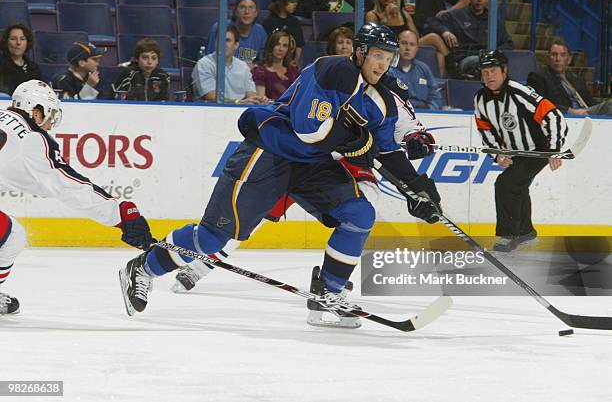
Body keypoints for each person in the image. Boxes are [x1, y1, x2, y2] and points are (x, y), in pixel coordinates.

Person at [119, 24, 442, 328]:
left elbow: (386, 150)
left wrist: (415, 188)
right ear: (359, 52)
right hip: (271, 152)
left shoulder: (382, 101)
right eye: (377, 55)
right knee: (213, 237)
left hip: (313, 166)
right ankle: (144, 267)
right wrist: (357, 141)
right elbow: (308, 130)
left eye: (388, 58)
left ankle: (328, 292)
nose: (382, 64)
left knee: (359, 213)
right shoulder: (332, 70)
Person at [170, 73, 438, 302]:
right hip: (305, 157)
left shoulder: (388, 95)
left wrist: (419, 142)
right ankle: (201, 264)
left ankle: (332, 282)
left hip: (344, 166)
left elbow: (413, 130)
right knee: (255, 213)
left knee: (364, 206)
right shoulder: (336, 79)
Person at [0, 80, 154, 314]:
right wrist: (120, 215)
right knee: (12, 236)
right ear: (34, 110)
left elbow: (28, 179)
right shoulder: (33, 138)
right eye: (48, 114)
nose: (50, 124)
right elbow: (68, 185)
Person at [474, 50, 568, 252]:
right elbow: (485, 129)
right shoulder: (480, 99)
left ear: (504, 71)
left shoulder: (519, 92)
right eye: (485, 71)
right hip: (516, 152)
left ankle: (510, 235)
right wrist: (497, 154)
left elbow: (554, 116)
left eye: (493, 70)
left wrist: (553, 149)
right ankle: (526, 233)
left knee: (505, 183)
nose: (489, 76)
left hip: (538, 150)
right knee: (517, 186)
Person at [427, 0, 513, 79]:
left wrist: (493, 54)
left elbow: (508, 43)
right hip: (464, 60)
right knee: (480, 63)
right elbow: (432, 22)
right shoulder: (457, 15)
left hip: (487, 59)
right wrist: (445, 32)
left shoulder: (494, 20)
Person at [366, 0, 450, 75]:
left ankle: (452, 67)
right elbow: (374, 40)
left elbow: (415, 37)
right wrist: (385, 18)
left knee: (434, 38)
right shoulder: (372, 15)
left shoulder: (404, 14)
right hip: (389, 47)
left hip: (406, 43)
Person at [527, 40, 612, 116]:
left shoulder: (577, 78)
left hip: (586, 112)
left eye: (562, 55)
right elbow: (539, 103)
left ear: (569, 59)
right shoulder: (537, 76)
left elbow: (590, 102)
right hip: (565, 115)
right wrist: (570, 111)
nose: (558, 59)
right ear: (548, 57)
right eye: (554, 54)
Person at [193, 25, 267, 104]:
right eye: (220, 40)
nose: (223, 44)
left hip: (240, 110)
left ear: (236, 45)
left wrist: (258, 99)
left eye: (227, 40)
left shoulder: (243, 66)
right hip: (211, 112)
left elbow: (251, 93)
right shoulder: (204, 64)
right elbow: (211, 96)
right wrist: (237, 102)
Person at [206, 0, 268, 67]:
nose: (247, 12)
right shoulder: (220, 28)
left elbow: (264, 62)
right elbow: (209, 60)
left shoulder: (260, 32)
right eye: (242, 7)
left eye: (251, 7)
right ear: (235, 11)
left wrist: (255, 66)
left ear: (256, 13)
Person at [388, 29, 442, 109]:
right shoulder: (388, 70)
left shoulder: (424, 69)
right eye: (404, 43)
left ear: (417, 48)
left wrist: (430, 108)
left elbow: (435, 96)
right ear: (396, 46)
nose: (408, 48)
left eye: (412, 44)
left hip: (425, 114)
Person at [252, 30, 300, 100]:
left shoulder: (294, 72)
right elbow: (261, 100)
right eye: (277, 44)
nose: (281, 49)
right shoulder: (260, 72)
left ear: (288, 49)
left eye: (285, 46)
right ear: (271, 46)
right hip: (270, 109)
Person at [262, 0, 305, 65]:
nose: (296, 4)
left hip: (290, 63)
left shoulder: (295, 21)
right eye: (292, 2)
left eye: (295, 1)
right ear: (281, 3)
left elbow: (299, 45)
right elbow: (266, 47)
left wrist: (296, 60)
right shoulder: (269, 22)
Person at [0, 24, 42, 96]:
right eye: (13, 39)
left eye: (22, 39)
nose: (18, 43)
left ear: (27, 42)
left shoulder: (34, 68)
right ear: (6, 42)